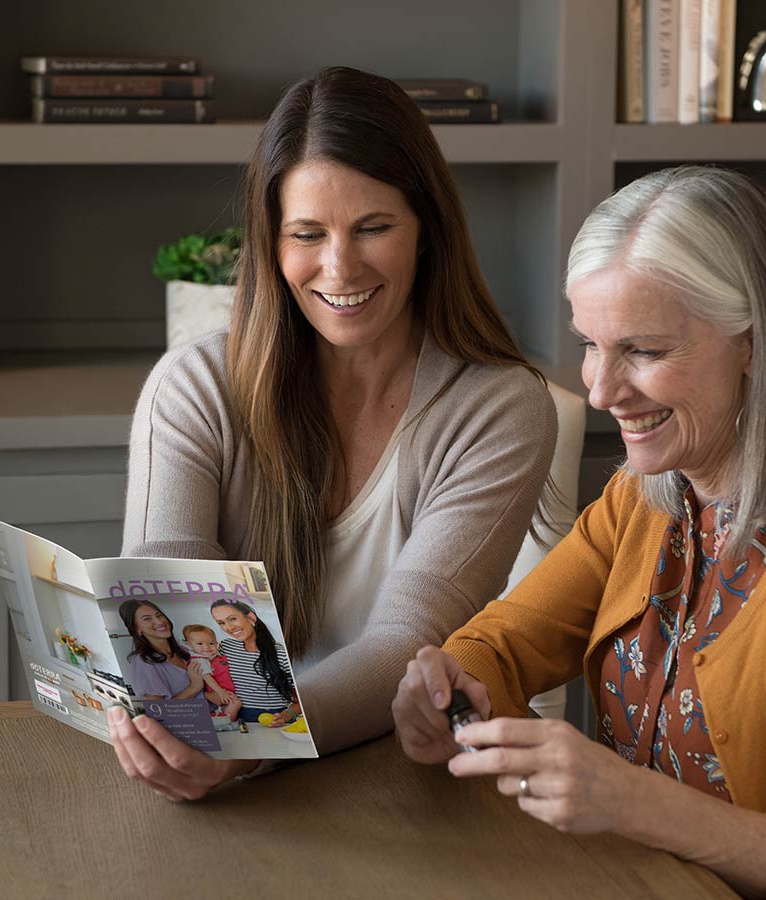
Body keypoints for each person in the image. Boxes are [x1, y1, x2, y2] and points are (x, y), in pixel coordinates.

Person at [392, 166, 766, 899]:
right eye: (590, 344)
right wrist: (448, 684)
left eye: (642, 350)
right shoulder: (644, 498)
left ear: (754, 345)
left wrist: (637, 804)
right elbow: (502, 645)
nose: (601, 391)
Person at [110, 66, 558, 801]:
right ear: (271, 242)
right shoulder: (193, 386)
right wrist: (210, 743)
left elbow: (403, 646)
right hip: (240, 779)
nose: (339, 267)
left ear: (427, 232)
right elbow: (167, 589)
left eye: (374, 227)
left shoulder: (500, 408)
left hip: (412, 780)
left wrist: (248, 747)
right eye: (307, 234)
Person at [209, 600, 298, 726]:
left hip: (275, 719)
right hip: (239, 721)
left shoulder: (281, 654)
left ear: (251, 617)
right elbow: (208, 676)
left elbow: (300, 701)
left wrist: (285, 716)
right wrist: (210, 694)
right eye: (221, 623)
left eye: (232, 619)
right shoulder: (225, 647)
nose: (229, 627)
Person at [118, 599, 208, 704]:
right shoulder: (143, 662)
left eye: (159, 615)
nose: (160, 622)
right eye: (147, 619)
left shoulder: (185, 651)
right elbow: (159, 710)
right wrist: (194, 687)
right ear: (136, 629)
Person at [181, 623, 242, 721]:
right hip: (218, 690)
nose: (207, 647)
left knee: (228, 707)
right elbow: (207, 677)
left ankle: (225, 721)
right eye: (200, 644)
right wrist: (220, 692)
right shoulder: (200, 660)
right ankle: (228, 723)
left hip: (224, 688)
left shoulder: (209, 656)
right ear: (189, 645)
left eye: (211, 643)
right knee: (236, 703)